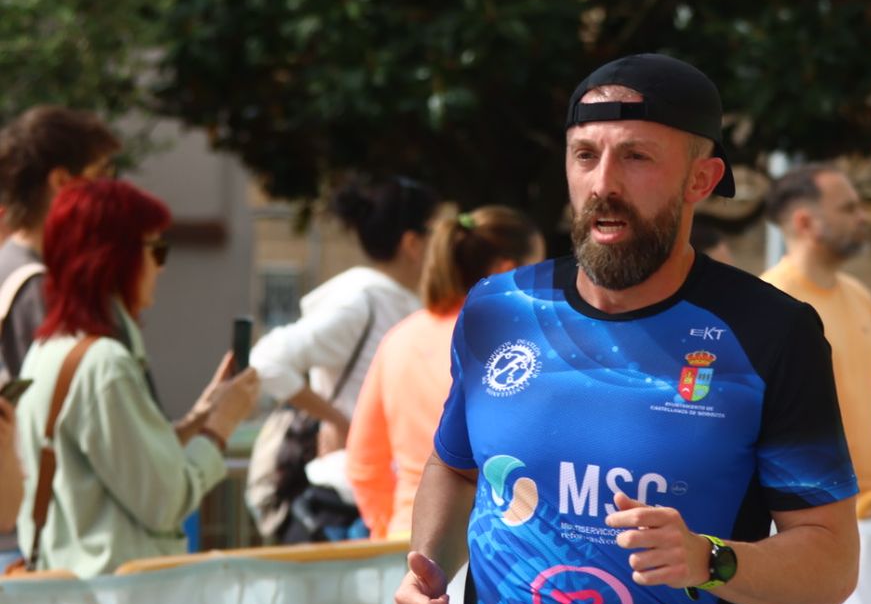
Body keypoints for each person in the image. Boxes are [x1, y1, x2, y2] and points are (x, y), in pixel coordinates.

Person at [380, 53, 859, 604]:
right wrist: (429, 575)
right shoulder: (498, 312)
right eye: (585, 154)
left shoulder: (771, 333)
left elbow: (831, 560)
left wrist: (710, 559)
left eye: (637, 156)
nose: (604, 182)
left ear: (701, 178)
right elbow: (455, 464)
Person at [13, 180, 259, 576]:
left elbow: (118, 464)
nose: (161, 267)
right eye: (156, 250)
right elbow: (165, 500)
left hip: (71, 591)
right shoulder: (105, 364)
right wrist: (219, 428)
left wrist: (198, 419)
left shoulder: (48, 350)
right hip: (115, 597)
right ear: (118, 259)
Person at [247, 175, 437, 539]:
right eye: (434, 232)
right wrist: (339, 421)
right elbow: (267, 359)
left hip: (378, 495)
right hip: (346, 498)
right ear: (412, 242)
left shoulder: (395, 300)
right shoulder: (361, 300)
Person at [346, 206, 542, 540]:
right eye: (539, 270)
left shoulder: (399, 338)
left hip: (406, 539)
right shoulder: (523, 348)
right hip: (495, 545)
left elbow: (364, 464)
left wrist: (393, 528)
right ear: (509, 270)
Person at [762, 164, 871, 492]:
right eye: (848, 208)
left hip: (868, 501)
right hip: (807, 502)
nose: (863, 217)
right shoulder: (771, 300)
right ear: (805, 222)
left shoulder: (861, 297)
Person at [0, 106, 120, 380]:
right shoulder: (37, 287)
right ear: (61, 181)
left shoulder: (8, 265)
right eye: (101, 173)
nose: (108, 189)